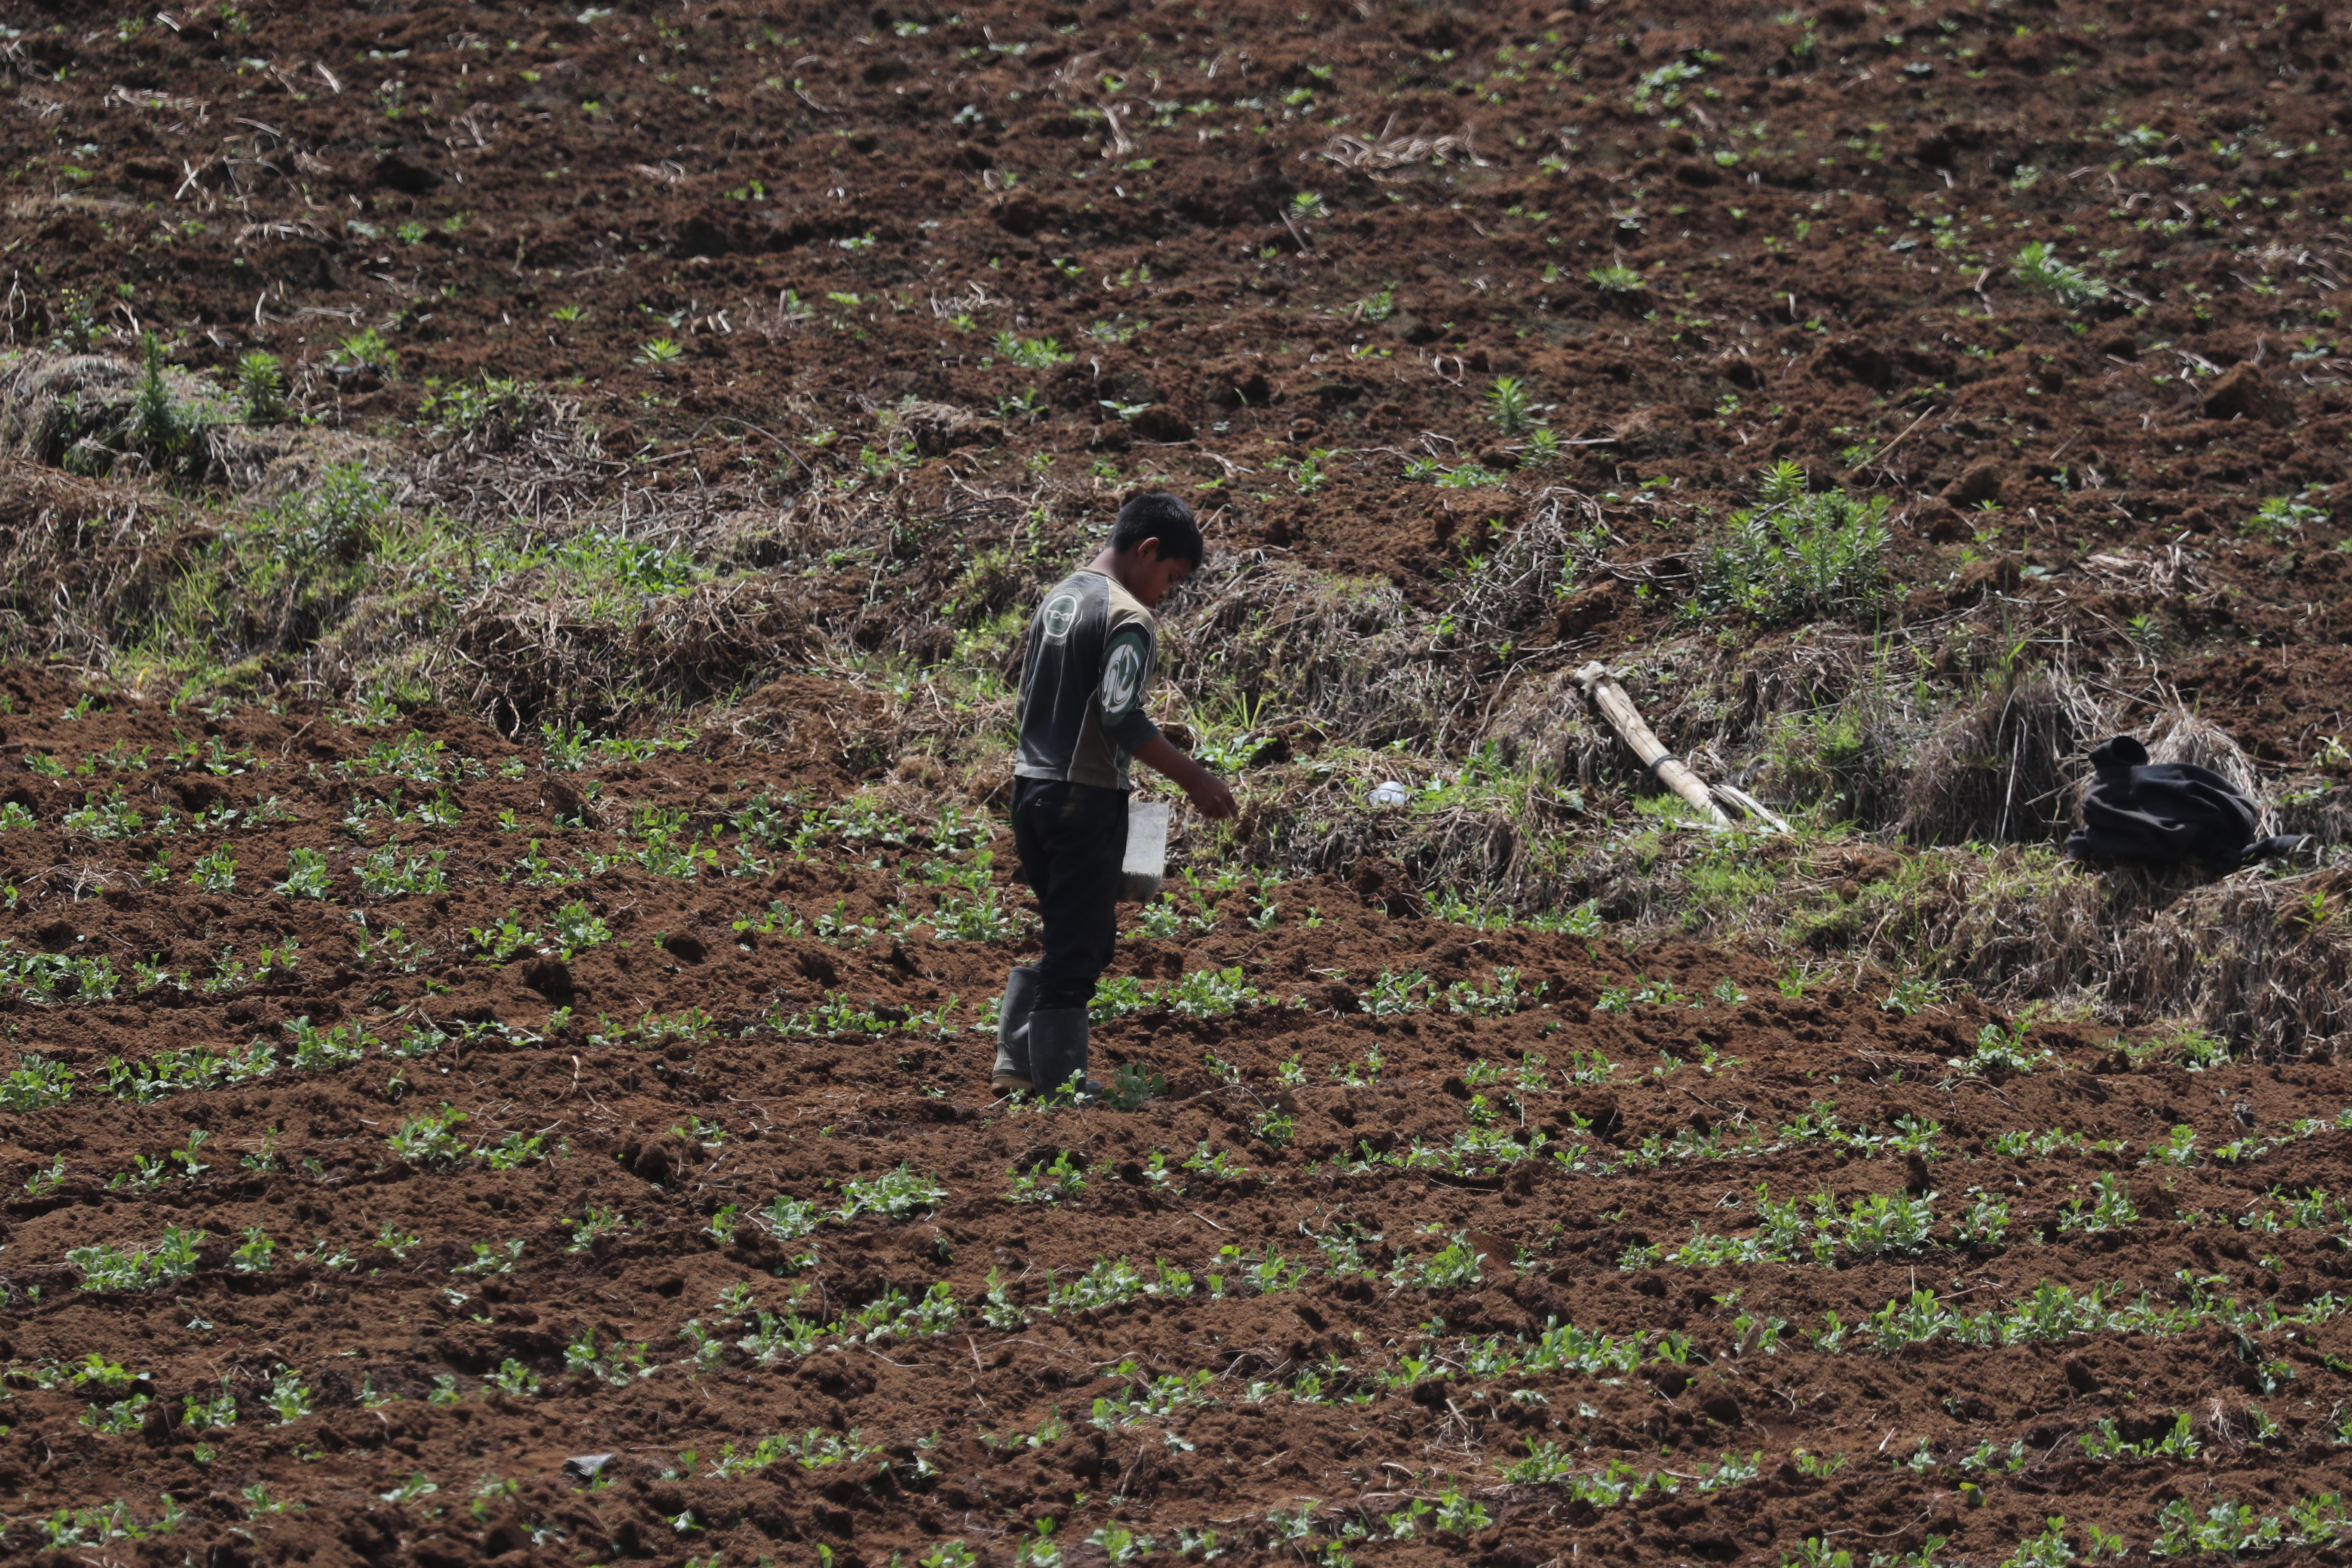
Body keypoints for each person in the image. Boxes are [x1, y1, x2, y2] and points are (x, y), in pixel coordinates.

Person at [993, 492, 1238, 1102]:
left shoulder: (1062, 597)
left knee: (1072, 933)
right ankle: (1058, 1085)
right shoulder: (1128, 617)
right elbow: (1121, 716)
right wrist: (1195, 778)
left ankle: (1019, 1061)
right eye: (1170, 578)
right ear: (1147, 551)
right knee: (1080, 948)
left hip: (1030, 791)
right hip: (1083, 798)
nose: (1165, 593)